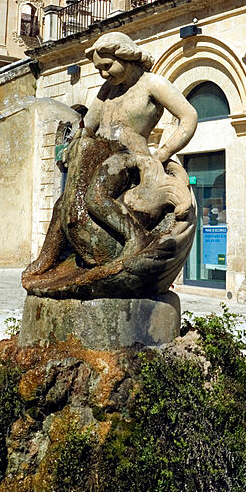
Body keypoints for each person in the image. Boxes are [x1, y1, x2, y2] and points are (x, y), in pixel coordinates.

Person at [22, 32, 198, 295]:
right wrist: (75, 143)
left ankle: (135, 238)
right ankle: (46, 260)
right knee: (62, 203)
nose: (103, 74)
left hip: (128, 158)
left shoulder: (152, 84)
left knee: (95, 197)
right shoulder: (108, 90)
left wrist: (162, 154)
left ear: (125, 57)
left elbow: (189, 116)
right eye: (99, 68)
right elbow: (89, 126)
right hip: (100, 155)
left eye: (107, 66)